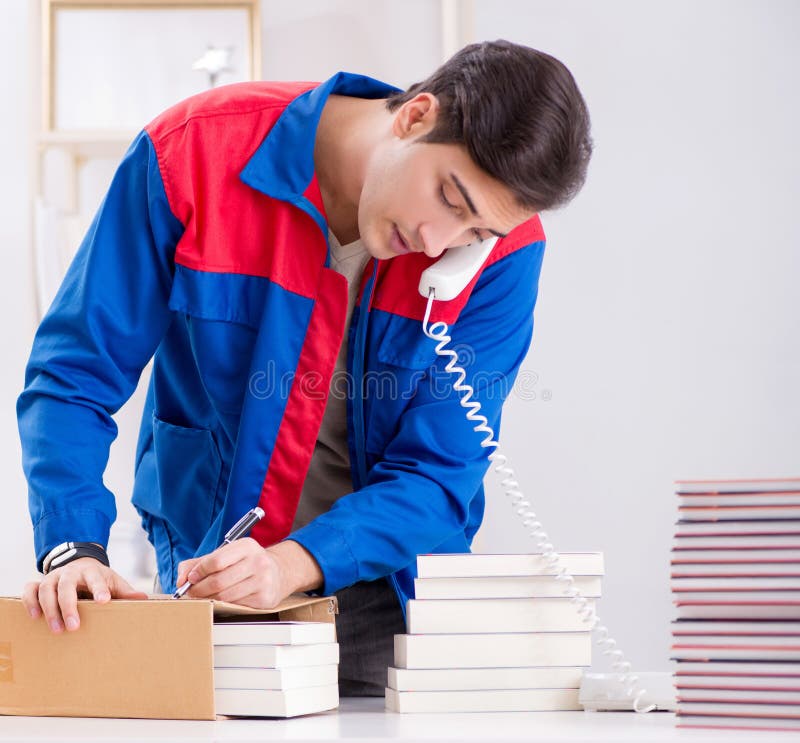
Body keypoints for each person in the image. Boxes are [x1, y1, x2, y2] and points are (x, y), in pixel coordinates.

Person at [17, 40, 591, 694]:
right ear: (415, 116)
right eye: (449, 198)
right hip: (207, 576)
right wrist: (73, 546)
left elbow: (439, 475)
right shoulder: (193, 154)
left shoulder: (503, 257)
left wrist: (293, 565)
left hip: (382, 595)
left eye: (475, 233)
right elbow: (73, 375)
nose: (440, 243)